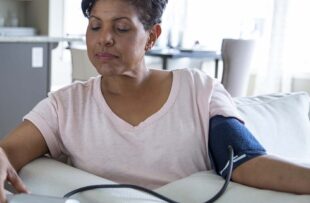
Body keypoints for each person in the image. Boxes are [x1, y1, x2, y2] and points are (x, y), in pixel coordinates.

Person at [0, 0, 310, 202]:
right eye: (95, 25)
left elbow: (243, 161)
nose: (104, 38)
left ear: (152, 36)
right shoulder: (64, 105)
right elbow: (8, 152)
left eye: (121, 28)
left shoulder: (197, 90)